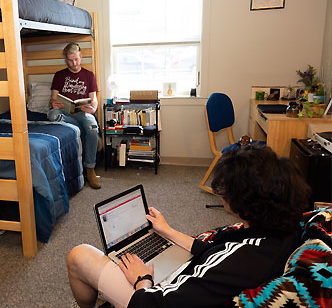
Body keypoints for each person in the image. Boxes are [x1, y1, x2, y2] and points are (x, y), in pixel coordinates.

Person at [67, 145, 311, 307]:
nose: (222, 194)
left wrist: (142, 279)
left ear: (246, 202)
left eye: (226, 190)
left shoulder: (243, 257)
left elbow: (157, 305)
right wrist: (167, 231)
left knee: (79, 256)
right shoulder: (273, 232)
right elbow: (214, 251)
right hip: (177, 280)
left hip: (153, 296)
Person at [49, 42, 101, 189]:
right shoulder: (59, 75)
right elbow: (53, 98)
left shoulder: (89, 75)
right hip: (65, 113)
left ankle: (90, 169)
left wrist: (93, 108)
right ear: (66, 60)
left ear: (81, 56)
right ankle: (90, 136)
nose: (74, 63)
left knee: (91, 125)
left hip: (82, 112)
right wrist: (54, 102)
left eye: (76, 59)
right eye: (70, 60)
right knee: (53, 115)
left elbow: (94, 99)